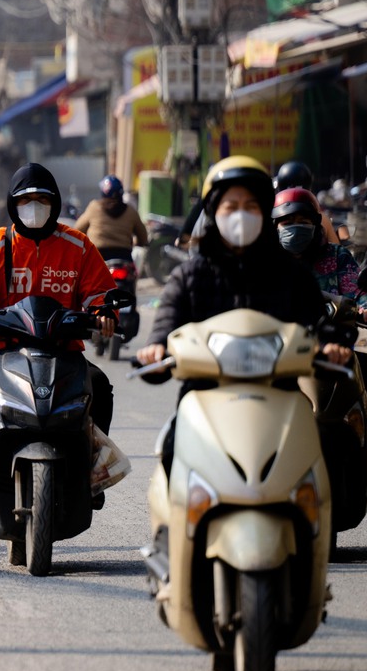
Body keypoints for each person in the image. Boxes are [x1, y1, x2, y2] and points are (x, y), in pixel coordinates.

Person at [133, 158, 345, 472]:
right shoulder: (189, 277)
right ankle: (174, 523)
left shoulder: (292, 275)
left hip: (281, 397)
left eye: (251, 206)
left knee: (328, 450)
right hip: (204, 400)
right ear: (214, 213)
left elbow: (321, 324)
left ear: (264, 213)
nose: (241, 215)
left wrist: (331, 346)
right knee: (170, 447)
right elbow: (164, 326)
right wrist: (155, 349)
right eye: (231, 207)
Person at [0, 163, 118, 509]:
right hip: (6, 348)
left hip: (62, 349)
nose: (35, 207)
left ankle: (92, 467)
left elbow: (101, 293)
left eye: (43, 199)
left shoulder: (78, 246)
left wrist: (104, 313)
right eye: (27, 200)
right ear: (14, 204)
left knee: (99, 388)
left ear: (55, 203)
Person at [272, 186, 367, 433]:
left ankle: (362, 448)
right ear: (275, 225)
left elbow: (360, 290)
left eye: (302, 221)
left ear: (316, 223)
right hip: (276, 354)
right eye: (288, 222)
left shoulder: (337, 257)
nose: (295, 227)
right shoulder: (265, 262)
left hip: (332, 352)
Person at [73, 175, 147, 265]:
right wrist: (136, 243)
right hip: (124, 258)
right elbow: (143, 237)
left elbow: (77, 230)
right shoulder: (131, 211)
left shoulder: (94, 207)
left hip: (97, 258)